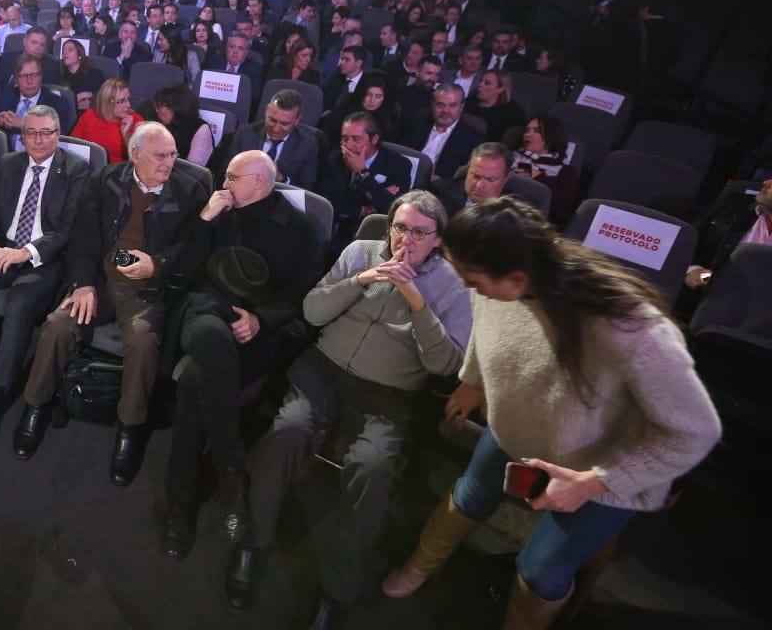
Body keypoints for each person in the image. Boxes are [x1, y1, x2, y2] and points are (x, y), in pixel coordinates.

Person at [380, 197, 721, 629]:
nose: (469, 288)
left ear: (518, 279)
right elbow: (489, 332)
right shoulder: (492, 279)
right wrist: (473, 380)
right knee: (469, 494)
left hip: (602, 468)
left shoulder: (631, 326)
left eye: (475, 281)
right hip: (518, 429)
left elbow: (696, 431)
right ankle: (419, 568)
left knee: (540, 571)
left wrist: (597, 482)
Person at [236, 190, 471, 621]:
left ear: (438, 239)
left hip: (389, 393)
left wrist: (417, 302)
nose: (407, 240)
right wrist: (362, 280)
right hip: (323, 371)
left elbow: (446, 365)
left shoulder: (454, 285)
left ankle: (335, 587)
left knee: (373, 467)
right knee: (288, 430)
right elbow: (311, 311)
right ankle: (253, 540)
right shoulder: (362, 251)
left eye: (420, 233)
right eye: (400, 227)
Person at [12, 122, 209, 486]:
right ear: (136, 154)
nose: (170, 162)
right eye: (161, 155)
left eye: (174, 154)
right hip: (100, 282)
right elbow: (83, 238)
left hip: (145, 290)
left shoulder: (190, 191)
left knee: (142, 340)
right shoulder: (105, 180)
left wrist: (158, 264)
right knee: (58, 324)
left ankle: (129, 428)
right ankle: (36, 404)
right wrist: (82, 284)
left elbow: (195, 247)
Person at [161, 150, 325, 562]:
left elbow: (302, 293)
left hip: (256, 328)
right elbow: (181, 271)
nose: (224, 182)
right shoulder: (218, 211)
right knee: (212, 343)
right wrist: (204, 219)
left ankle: (180, 504)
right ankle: (231, 469)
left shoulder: (300, 229)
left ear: (259, 182)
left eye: (232, 177)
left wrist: (260, 319)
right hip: (206, 312)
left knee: (198, 382)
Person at [0, 105, 91, 456]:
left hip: (43, 259)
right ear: (21, 136)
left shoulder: (76, 170)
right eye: (30, 133)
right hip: (2, 249)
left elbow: (68, 229)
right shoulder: (9, 163)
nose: (38, 140)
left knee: (19, 303)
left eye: (45, 133)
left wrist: (25, 253)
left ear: (58, 134)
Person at [330, 111, 413, 228]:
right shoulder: (335, 158)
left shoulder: (398, 165)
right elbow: (326, 198)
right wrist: (363, 210)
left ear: (374, 139)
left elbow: (392, 208)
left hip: (371, 230)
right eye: (345, 139)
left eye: (356, 139)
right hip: (336, 222)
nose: (348, 146)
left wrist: (363, 172)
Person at [228, 89, 320, 189]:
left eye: (284, 124)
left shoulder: (307, 145)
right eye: (272, 120)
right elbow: (226, 173)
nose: (276, 129)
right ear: (267, 110)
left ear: (297, 120)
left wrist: (281, 179)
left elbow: (306, 189)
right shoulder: (245, 134)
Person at [0, 54, 73, 151]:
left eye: (34, 75)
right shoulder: (5, 97)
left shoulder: (57, 103)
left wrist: (24, 125)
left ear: (40, 77)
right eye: (24, 76)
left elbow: (56, 137)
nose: (29, 81)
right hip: (6, 160)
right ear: (16, 80)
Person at [402, 84, 485, 180]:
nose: (445, 110)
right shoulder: (417, 125)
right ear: (433, 105)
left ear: (461, 106)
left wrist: (443, 181)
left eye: (452, 105)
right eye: (440, 105)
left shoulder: (473, 138)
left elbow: (465, 176)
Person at [510, 116, 581, 222]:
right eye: (527, 130)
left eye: (537, 131)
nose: (528, 134)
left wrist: (538, 177)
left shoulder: (566, 172)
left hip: (532, 222)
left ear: (550, 137)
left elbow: (560, 211)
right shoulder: (510, 157)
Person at [432, 142, 512, 217]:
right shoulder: (438, 193)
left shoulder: (513, 215)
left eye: (490, 179)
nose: (479, 185)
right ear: (468, 168)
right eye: (476, 176)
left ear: (506, 178)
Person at [69, 79, 136, 164]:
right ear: (107, 103)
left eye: (128, 99)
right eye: (122, 101)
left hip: (116, 173)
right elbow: (71, 147)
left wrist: (126, 136)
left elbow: (140, 160)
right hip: (86, 169)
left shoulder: (135, 121)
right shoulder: (89, 116)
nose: (128, 105)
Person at [323, 72, 400, 146]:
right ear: (362, 93)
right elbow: (329, 134)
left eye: (378, 96)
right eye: (368, 95)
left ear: (384, 98)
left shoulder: (389, 117)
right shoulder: (346, 107)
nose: (372, 100)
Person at [149, 83, 216, 167]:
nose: (156, 110)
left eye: (159, 106)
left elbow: (193, 170)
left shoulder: (200, 129)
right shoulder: (159, 126)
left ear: (174, 107)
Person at [467, 69, 528, 142]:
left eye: (487, 83)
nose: (480, 85)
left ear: (500, 89)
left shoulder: (513, 113)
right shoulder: (469, 102)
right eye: (481, 81)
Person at [58, 38, 104, 111]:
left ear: (79, 54)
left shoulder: (95, 74)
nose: (65, 53)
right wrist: (80, 96)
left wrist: (71, 104)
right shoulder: (60, 77)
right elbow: (59, 104)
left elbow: (100, 101)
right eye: (63, 51)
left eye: (70, 50)